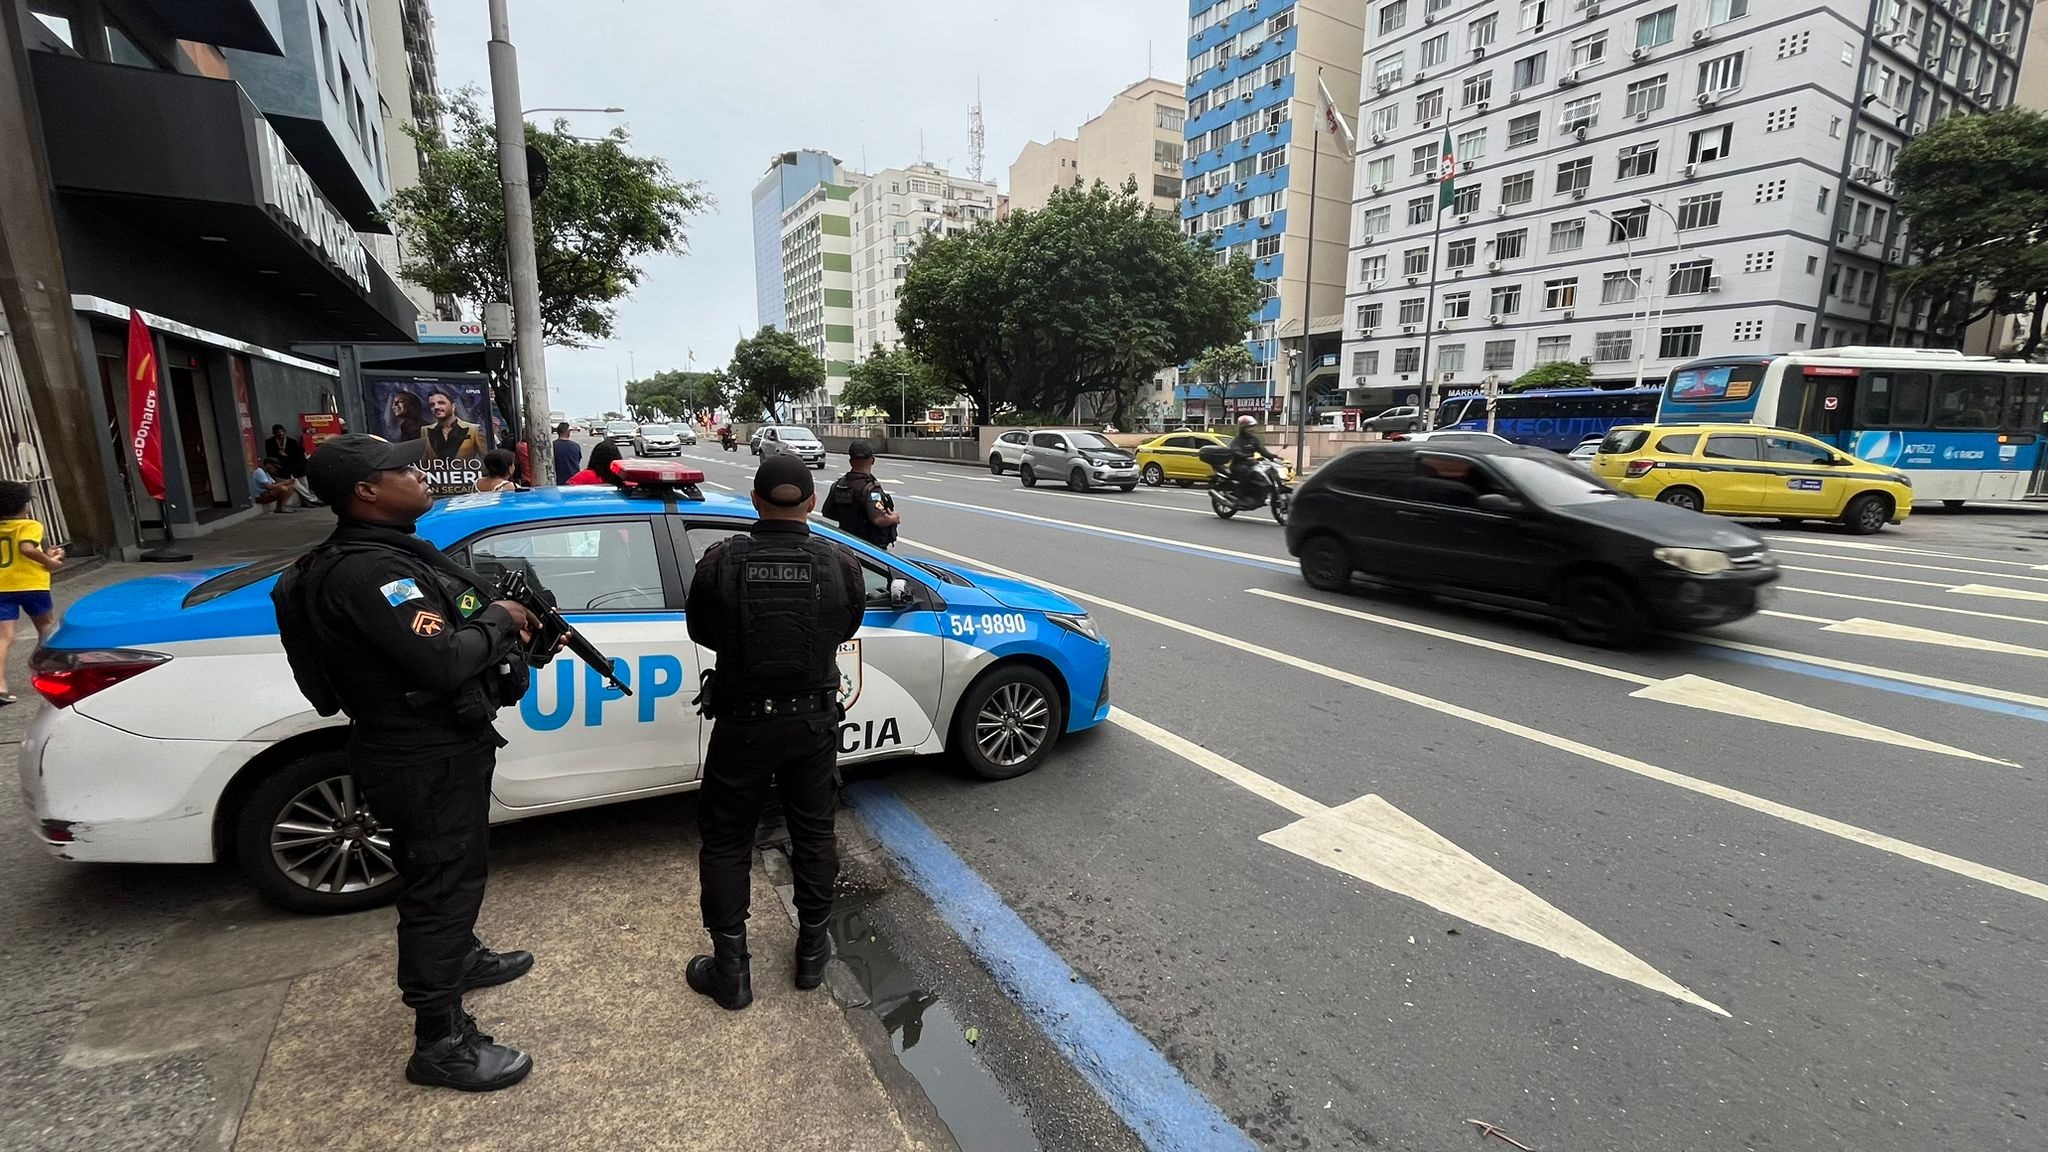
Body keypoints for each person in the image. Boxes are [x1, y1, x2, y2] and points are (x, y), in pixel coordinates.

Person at [270, 435, 542, 1092]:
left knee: (452, 874)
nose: (422, 476)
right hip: (423, 753)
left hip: (430, 748)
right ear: (366, 490)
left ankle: (461, 957)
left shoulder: (373, 556)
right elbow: (442, 659)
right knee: (439, 890)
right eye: (405, 469)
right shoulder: (372, 574)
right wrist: (503, 619)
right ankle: (440, 1040)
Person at [682, 455, 865, 1010]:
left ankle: (731, 971)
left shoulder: (721, 562)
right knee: (814, 833)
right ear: (811, 503)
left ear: (755, 502)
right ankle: (812, 954)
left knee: (727, 838)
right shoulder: (840, 564)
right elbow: (847, 625)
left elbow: (701, 629)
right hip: (811, 722)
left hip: (742, 721)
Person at [0, 481, 63, 705]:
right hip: (31, 584)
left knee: (4, 636)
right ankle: (42, 669)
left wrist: (45, 554)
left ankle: (0, 686)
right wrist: (51, 561)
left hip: (2, 586)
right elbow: (26, 548)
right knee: (46, 625)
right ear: (23, 506)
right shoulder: (29, 525)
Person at [822, 442, 900, 550]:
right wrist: (893, 518)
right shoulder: (871, 489)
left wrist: (847, 517)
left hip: (846, 542)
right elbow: (878, 519)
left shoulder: (839, 485)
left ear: (850, 461)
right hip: (869, 548)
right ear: (872, 460)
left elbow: (827, 512)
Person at [423, 390, 488, 461]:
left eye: (441, 403)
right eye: (432, 405)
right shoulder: (425, 430)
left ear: (453, 406)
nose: (436, 407)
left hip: (467, 471)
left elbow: (486, 459)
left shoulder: (474, 430)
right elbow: (424, 459)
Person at [1228, 414, 1281, 493]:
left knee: (1268, 470)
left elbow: (1262, 450)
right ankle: (1242, 494)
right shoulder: (1237, 441)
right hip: (1239, 465)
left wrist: (1273, 457)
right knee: (1251, 473)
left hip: (1251, 464)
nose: (1252, 429)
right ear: (1243, 428)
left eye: (1252, 427)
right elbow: (1235, 451)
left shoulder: (1254, 440)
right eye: (1249, 427)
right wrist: (1246, 457)